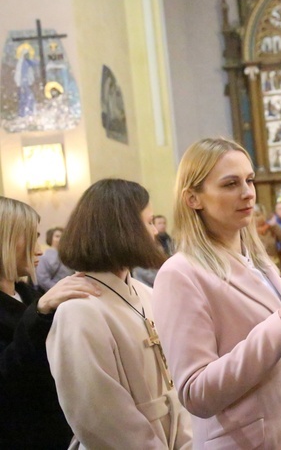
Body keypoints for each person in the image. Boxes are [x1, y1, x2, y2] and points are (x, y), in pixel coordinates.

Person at [151, 137, 281, 449]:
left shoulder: (258, 260)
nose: (247, 192)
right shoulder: (180, 273)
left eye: (249, 180)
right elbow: (196, 392)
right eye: (230, 184)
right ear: (193, 198)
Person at [47, 179, 192, 449]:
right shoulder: (78, 310)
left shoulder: (146, 293)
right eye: (148, 223)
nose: (155, 234)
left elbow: (173, 383)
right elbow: (98, 415)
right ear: (122, 229)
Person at [0, 197, 101, 448]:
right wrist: (41, 313)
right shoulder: (37, 304)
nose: (39, 249)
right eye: (29, 238)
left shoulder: (28, 295)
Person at [253, 203, 281, 273]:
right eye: (252, 215)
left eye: (257, 215)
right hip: (259, 268)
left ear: (263, 215)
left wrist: (274, 226)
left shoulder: (271, 228)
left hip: (275, 266)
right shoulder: (247, 232)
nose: (254, 218)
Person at [36, 226, 74, 292]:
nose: (61, 238)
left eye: (63, 236)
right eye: (57, 236)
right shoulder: (43, 256)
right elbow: (43, 279)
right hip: (53, 292)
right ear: (50, 238)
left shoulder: (69, 256)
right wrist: (60, 290)